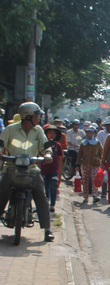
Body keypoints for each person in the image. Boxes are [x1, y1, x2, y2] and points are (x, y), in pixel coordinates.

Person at [0, 102, 55, 241]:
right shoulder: (10, 130)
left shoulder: (39, 131)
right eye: (37, 115)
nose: (39, 118)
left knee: (41, 195)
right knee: (2, 192)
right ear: (28, 116)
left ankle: (47, 228)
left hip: (32, 170)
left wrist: (48, 154)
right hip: (11, 168)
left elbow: (45, 147)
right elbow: (1, 144)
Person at [40, 124, 64, 212]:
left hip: (54, 170)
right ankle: (46, 203)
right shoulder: (43, 145)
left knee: (53, 186)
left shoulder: (58, 145)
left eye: (54, 133)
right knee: (45, 187)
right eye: (50, 133)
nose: (52, 135)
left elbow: (61, 158)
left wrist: (60, 171)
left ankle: (52, 204)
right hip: (44, 170)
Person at [77, 124, 103, 204]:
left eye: (91, 133)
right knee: (85, 180)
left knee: (94, 180)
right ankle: (86, 197)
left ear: (94, 134)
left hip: (95, 164)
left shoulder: (97, 143)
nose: (89, 134)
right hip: (85, 164)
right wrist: (77, 164)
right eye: (88, 133)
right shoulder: (83, 143)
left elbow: (101, 154)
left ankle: (95, 196)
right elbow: (80, 154)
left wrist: (102, 163)